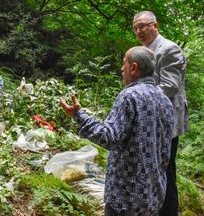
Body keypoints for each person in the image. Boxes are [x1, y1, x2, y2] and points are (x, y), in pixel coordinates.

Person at [60, 46, 174, 215]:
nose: (122, 68)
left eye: (124, 63)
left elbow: (109, 137)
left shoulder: (130, 96)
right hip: (154, 196)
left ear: (134, 68)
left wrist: (78, 115)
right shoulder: (165, 101)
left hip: (126, 198)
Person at [133, 11, 189, 215]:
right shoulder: (144, 49)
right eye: (136, 27)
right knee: (153, 169)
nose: (139, 30)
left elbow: (170, 86)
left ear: (155, 26)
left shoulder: (168, 49)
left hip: (167, 120)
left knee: (165, 170)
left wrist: (138, 97)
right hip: (151, 119)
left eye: (143, 26)